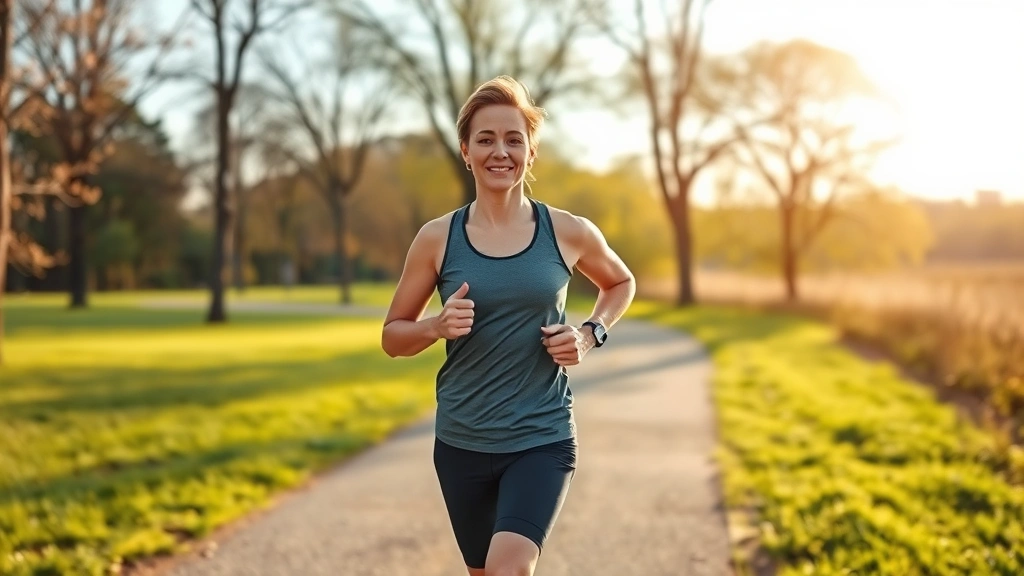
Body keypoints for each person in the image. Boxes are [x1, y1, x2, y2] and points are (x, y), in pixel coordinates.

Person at [381, 75, 636, 576]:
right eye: (486, 139)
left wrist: (590, 333)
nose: (501, 151)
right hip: (461, 442)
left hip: (541, 436)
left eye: (514, 139)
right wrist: (435, 326)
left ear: (531, 152)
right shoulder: (437, 238)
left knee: (508, 570)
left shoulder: (567, 231)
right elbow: (393, 336)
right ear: (466, 152)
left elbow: (620, 282)